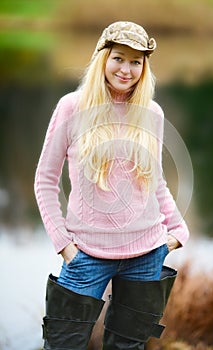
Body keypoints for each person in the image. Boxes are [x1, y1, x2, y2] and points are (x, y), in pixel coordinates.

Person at [34, 21, 189, 350]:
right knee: (61, 345)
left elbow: (156, 181)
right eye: (119, 57)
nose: (127, 69)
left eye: (137, 61)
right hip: (85, 255)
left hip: (146, 255)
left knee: (127, 347)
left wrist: (177, 229)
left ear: (144, 67)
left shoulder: (152, 113)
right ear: (102, 57)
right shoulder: (71, 108)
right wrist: (63, 244)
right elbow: (45, 181)